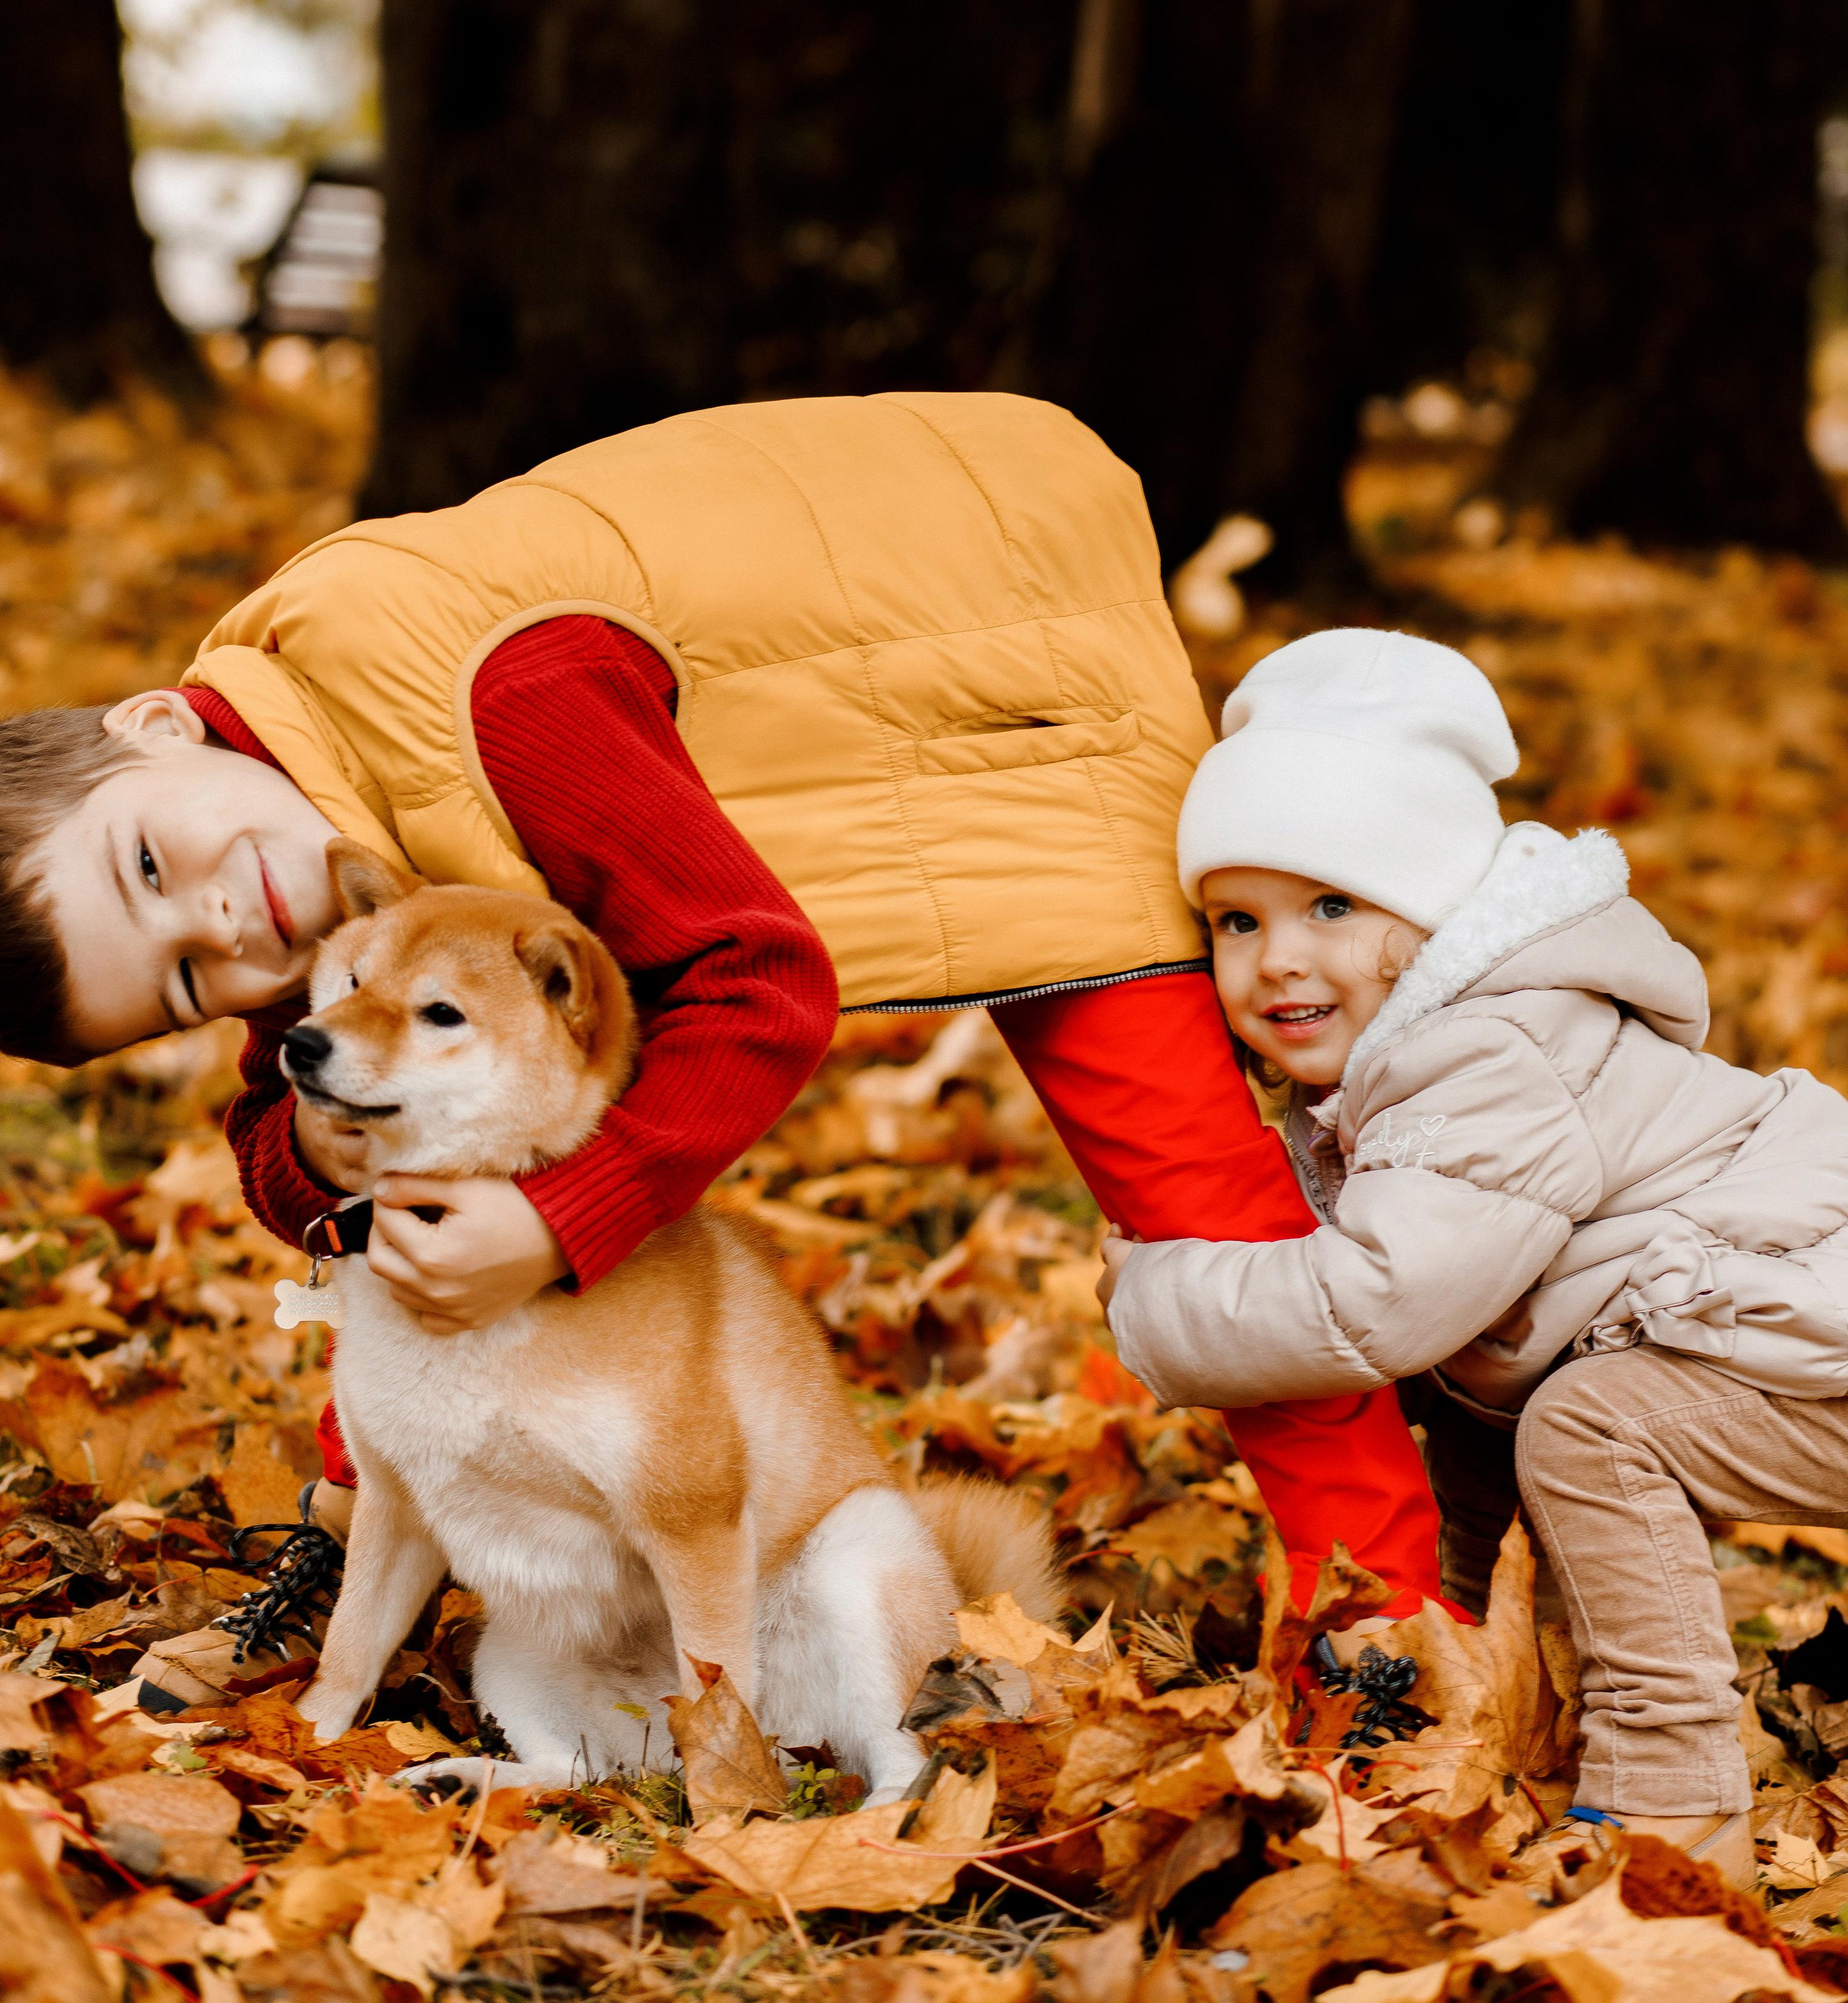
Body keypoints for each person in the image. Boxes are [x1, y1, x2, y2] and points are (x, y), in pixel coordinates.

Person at [0, 393, 1441, 1608]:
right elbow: (293, 1123)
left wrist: (562, 1224)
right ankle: (365, 1521)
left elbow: (760, 982)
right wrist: (323, 1158)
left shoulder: (489, 700)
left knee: (1196, 1202)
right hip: (794, 724)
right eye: (189, 983)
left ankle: (1382, 1612)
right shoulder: (279, 834)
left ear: (155, 725)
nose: (221, 927)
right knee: (430, 1111)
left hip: (1005, 683)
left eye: (143, 866)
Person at [1100, 624, 1848, 1885]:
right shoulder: (1407, 1066)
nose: (1279, 955)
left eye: (1331, 903)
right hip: (1772, 1336)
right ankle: (1462, 1659)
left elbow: (1378, 1305)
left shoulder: (1492, 1055)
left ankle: (1673, 1798)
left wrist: (1160, 1294)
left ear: (1435, 914)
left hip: (1817, 1334)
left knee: (1591, 1426)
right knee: (1490, 1396)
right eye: (1237, 918)